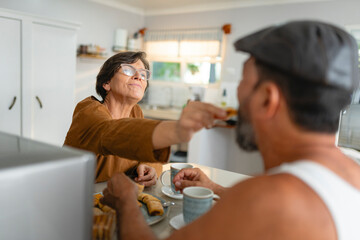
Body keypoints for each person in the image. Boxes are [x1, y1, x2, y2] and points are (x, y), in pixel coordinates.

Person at [101, 20, 360, 240]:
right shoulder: (351, 171)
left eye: (243, 84)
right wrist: (215, 188)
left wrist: (125, 200)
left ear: (268, 99)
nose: (237, 95)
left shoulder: (270, 198)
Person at [64, 51, 227, 185]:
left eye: (143, 73)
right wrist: (177, 130)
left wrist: (146, 166)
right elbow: (113, 134)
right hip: (75, 194)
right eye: (128, 70)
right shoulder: (88, 110)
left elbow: (144, 153)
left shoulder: (136, 112)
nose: (138, 76)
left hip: (115, 194)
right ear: (106, 83)